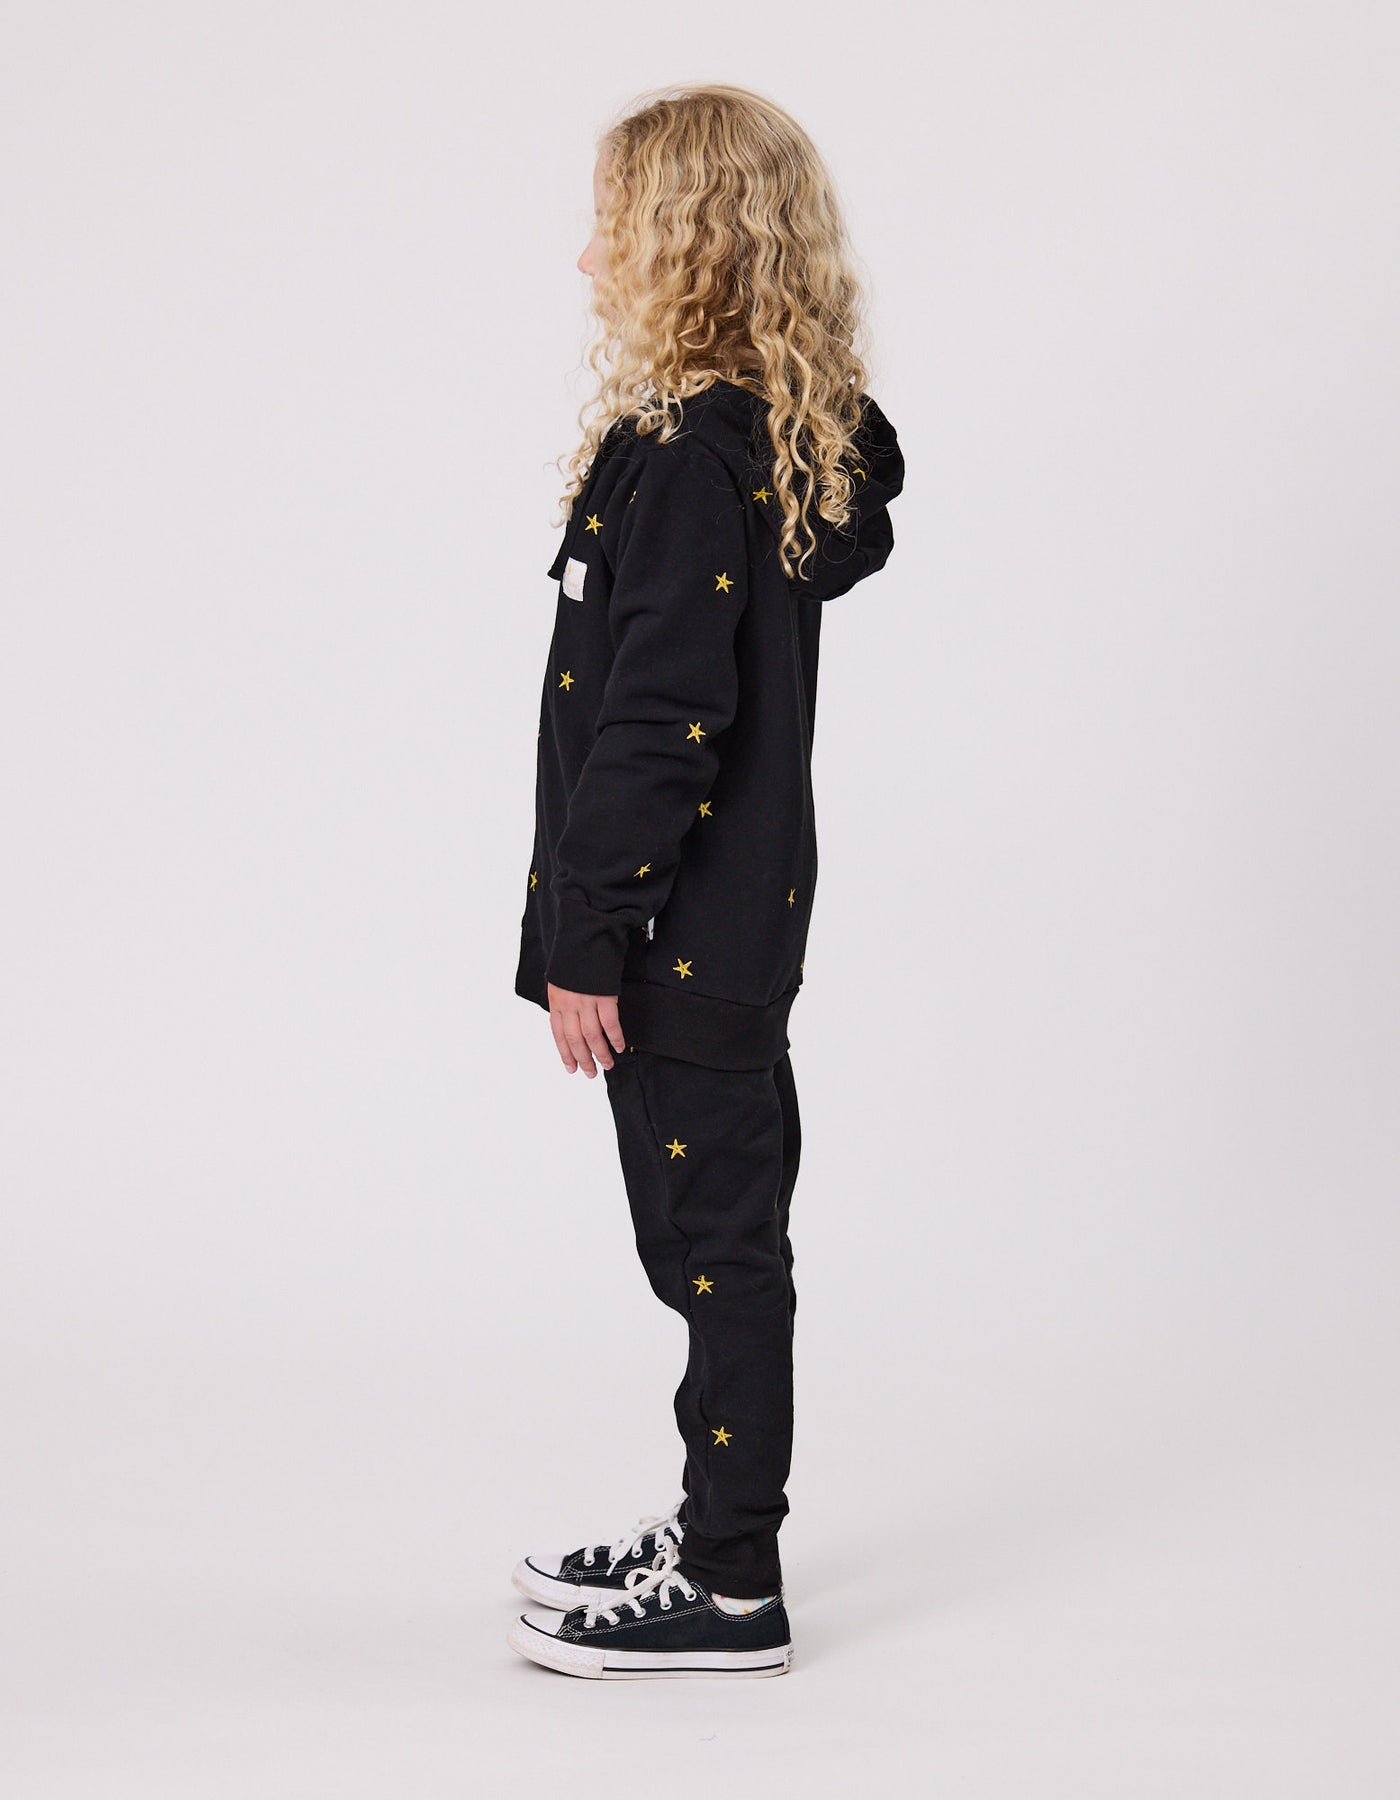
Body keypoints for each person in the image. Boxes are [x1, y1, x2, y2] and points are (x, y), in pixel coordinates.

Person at [508, 83, 904, 1680]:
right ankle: (709, 1522)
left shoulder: (688, 462)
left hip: (684, 934)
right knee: (712, 1242)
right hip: (719, 926)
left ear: (688, 244)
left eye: (614, 226)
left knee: (718, 1254)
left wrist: (590, 936)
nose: (587, 259)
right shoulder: (756, 447)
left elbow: (662, 722)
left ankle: (733, 1588)